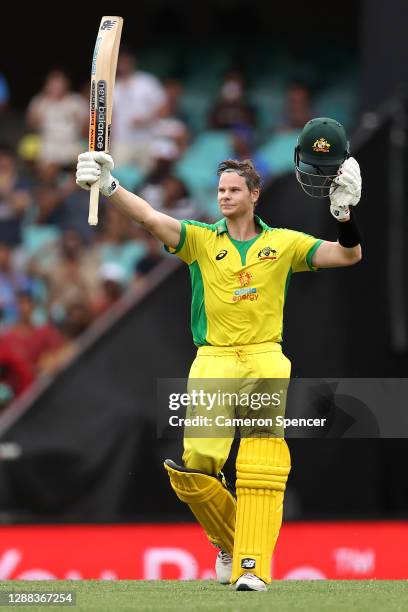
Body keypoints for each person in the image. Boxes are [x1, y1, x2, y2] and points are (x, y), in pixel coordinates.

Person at [75, 116, 362, 591]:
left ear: (254, 196)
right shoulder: (202, 240)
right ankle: (233, 544)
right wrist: (109, 186)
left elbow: (348, 256)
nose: (224, 196)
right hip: (214, 360)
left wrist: (346, 216)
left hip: (266, 358)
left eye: (234, 189)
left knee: (261, 462)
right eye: (220, 189)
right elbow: (150, 217)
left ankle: (252, 569)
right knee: (196, 466)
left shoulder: (282, 243)